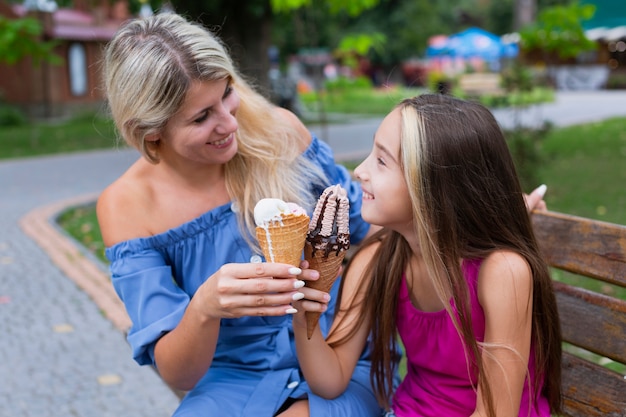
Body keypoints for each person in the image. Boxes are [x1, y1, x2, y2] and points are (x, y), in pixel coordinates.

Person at [96, 12, 382, 417]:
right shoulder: (126, 205)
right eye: (201, 117)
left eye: (227, 93)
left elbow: (371, 232)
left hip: (339, 355)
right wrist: (205, 307)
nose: (230, 123)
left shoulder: (281, 132)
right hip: (231, 381)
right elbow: (179, 375)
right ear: (150, 131)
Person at [292, 94, 562, 417]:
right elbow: (330, 380)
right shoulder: (378, 259)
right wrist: (302, 313)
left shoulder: (503, 272)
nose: (359, 171)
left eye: (381, 161)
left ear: (433, 187)